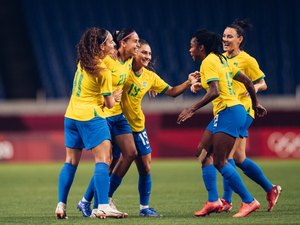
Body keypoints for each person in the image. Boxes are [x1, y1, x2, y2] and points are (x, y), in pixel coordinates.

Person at [191, 19, 281, 214]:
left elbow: (261, 83)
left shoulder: (247, 59)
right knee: (239, 158)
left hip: (243, 109)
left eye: (230, 36)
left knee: (224, 156)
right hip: (229, 109)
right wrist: (202, 85)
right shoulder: (220, 58)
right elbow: (218, 83)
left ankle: (228, 200)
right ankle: (269, 188)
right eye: (223, 36)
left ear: (240, 39)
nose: (225, 39)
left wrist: (253, 93)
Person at [177, 29, 267, 218]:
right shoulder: (221, 59)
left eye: (192, 46)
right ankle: (213, 201)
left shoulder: (209, 61)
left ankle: (249, 201)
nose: (189, 49)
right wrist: (255, 104)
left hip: (229, 111)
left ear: (201, 47)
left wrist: (191, 109)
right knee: (202, 153)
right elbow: (248, 81)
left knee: (220, 160)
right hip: (230, 111)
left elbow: (215, 91)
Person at [112, 39, 199, 217]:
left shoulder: (150, 77)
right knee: (114, 161)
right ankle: (104, 200)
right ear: (134, 52)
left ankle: (144, 208)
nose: (147, 56)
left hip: (137, 126)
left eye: (149, 54)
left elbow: (173, 91)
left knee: (146, 167)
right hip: (119, 124)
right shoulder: (123, 68)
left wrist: (188, 82)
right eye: (143, 52)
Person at [55, 27, 126, 219]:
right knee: (104, 160)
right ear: (102, 46)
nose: (114, 44)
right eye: (111, 42)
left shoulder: (83, 62)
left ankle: (61, 205)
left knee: (70, 161)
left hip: (71, 115)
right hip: (91, 117)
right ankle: (102, 205)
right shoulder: (102, 71)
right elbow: (109, 104)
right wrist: (115, 96)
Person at [77, 28, 140, 218]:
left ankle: (101, 199)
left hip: (119, 115)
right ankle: (95, 201)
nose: (137, 45)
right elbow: (93, 73)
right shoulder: (106, 61)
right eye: (135, 42)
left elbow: (138, 73)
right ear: (123, 43)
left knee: (130, 153)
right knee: (106, 160)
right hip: (104, 114)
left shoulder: (128, 61)